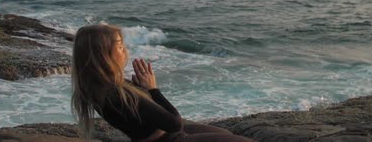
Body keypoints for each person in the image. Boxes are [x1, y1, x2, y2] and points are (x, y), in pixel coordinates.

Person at [71, 24, 255, 142]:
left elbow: (142, 115)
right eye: (119, 45)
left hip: (158, 136)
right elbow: (175, 124)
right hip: (169, 138)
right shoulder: (117, 93)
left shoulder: (95, 86)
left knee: (228, 135)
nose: (124, 49)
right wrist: (153, 89)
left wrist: (143, 89)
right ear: (104, 54)